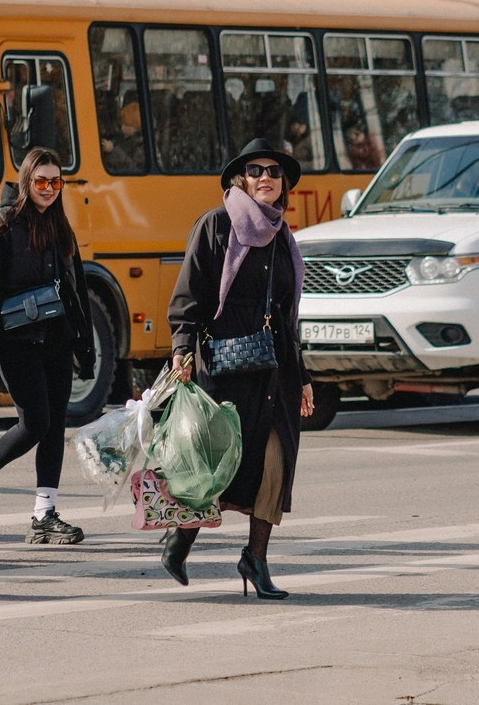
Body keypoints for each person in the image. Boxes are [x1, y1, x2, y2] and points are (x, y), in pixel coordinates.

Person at [165, 138, 315, 597]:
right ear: (240, 179)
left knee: (274, 464)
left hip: (275, 373)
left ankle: (256, 559)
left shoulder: (283, 236)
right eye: (255, 170)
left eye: (273, 171)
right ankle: (181, 539)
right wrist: (182, 350)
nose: (265, 177)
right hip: (223, 369)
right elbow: (189, 294)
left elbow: (288, 315)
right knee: (217, 464)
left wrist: (304, 375)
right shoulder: (216, 226)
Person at [0, 146, 96, 545]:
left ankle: (44, 515)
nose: (49, 189)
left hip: (56, 341)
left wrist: (84, 347)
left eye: (56, 182)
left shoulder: (60, 226)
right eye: (41, 181)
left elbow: (76, 290)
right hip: (17, 344)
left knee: (54, 428)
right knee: (34, 422)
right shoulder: (3, 225)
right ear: (26, 182)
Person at [101, 101, 144, 171]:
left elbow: (135, 169)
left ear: (136, 127)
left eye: (126, 125)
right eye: (122, 123)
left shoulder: (141, 145)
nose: (122, 127)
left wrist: (113, 150)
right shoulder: (121, 137)